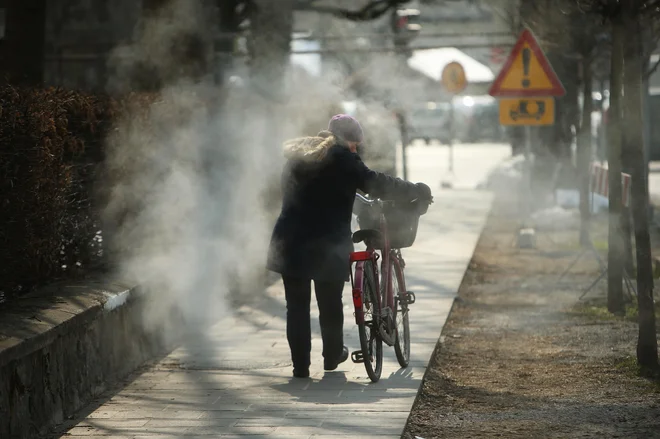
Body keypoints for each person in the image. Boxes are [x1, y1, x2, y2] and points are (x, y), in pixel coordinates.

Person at [267, 114, 433, 378]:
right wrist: (413, 190)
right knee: (330, 303)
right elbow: (375, 183)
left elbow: (311, 193)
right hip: (325, 242)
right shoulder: (341, 157)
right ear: (346, 141)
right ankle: (332, 357)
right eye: (355, 144)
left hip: (289, 241)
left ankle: (300, 367)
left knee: (296, 307)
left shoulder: (299, 156)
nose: (355, 149)